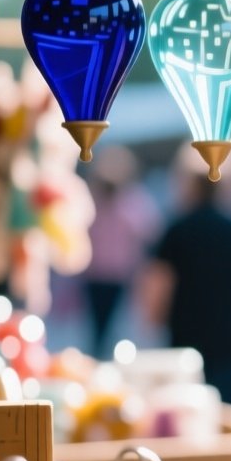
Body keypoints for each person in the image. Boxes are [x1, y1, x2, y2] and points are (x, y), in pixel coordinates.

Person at [142, 161, 231, 407]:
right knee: (230, 408)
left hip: (188, 332)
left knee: (188, 409)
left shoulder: (176, 230)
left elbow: (159, 283)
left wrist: (154, 320)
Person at [81, 145, 160, 357]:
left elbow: (148, 231)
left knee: (112, 325)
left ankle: (107, 355)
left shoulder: (131, 199)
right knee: (100, 324)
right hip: (99, 272)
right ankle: (100, 355)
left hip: (116, 273)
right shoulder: (96, 198)